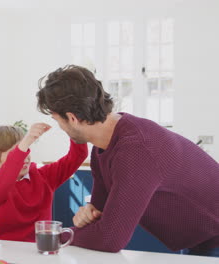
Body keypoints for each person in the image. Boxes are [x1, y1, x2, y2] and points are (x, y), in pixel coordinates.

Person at [36, 64, 219, 256]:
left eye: (57, 121)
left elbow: (110, 238)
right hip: (202, 241)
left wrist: (56, 236)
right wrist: (87, 216)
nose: (60, 128)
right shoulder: (103, 147)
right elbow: (98, 217)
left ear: (72, 118)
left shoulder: (135, 149)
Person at [0, 124, 88, 242]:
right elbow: (4, 182)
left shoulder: (44, 176)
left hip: (41, 248)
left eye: (26, 149)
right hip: (4, 249)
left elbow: (78, 155)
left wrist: (73, 128)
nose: (24, 156)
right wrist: (26, 141)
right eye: (16, 152)